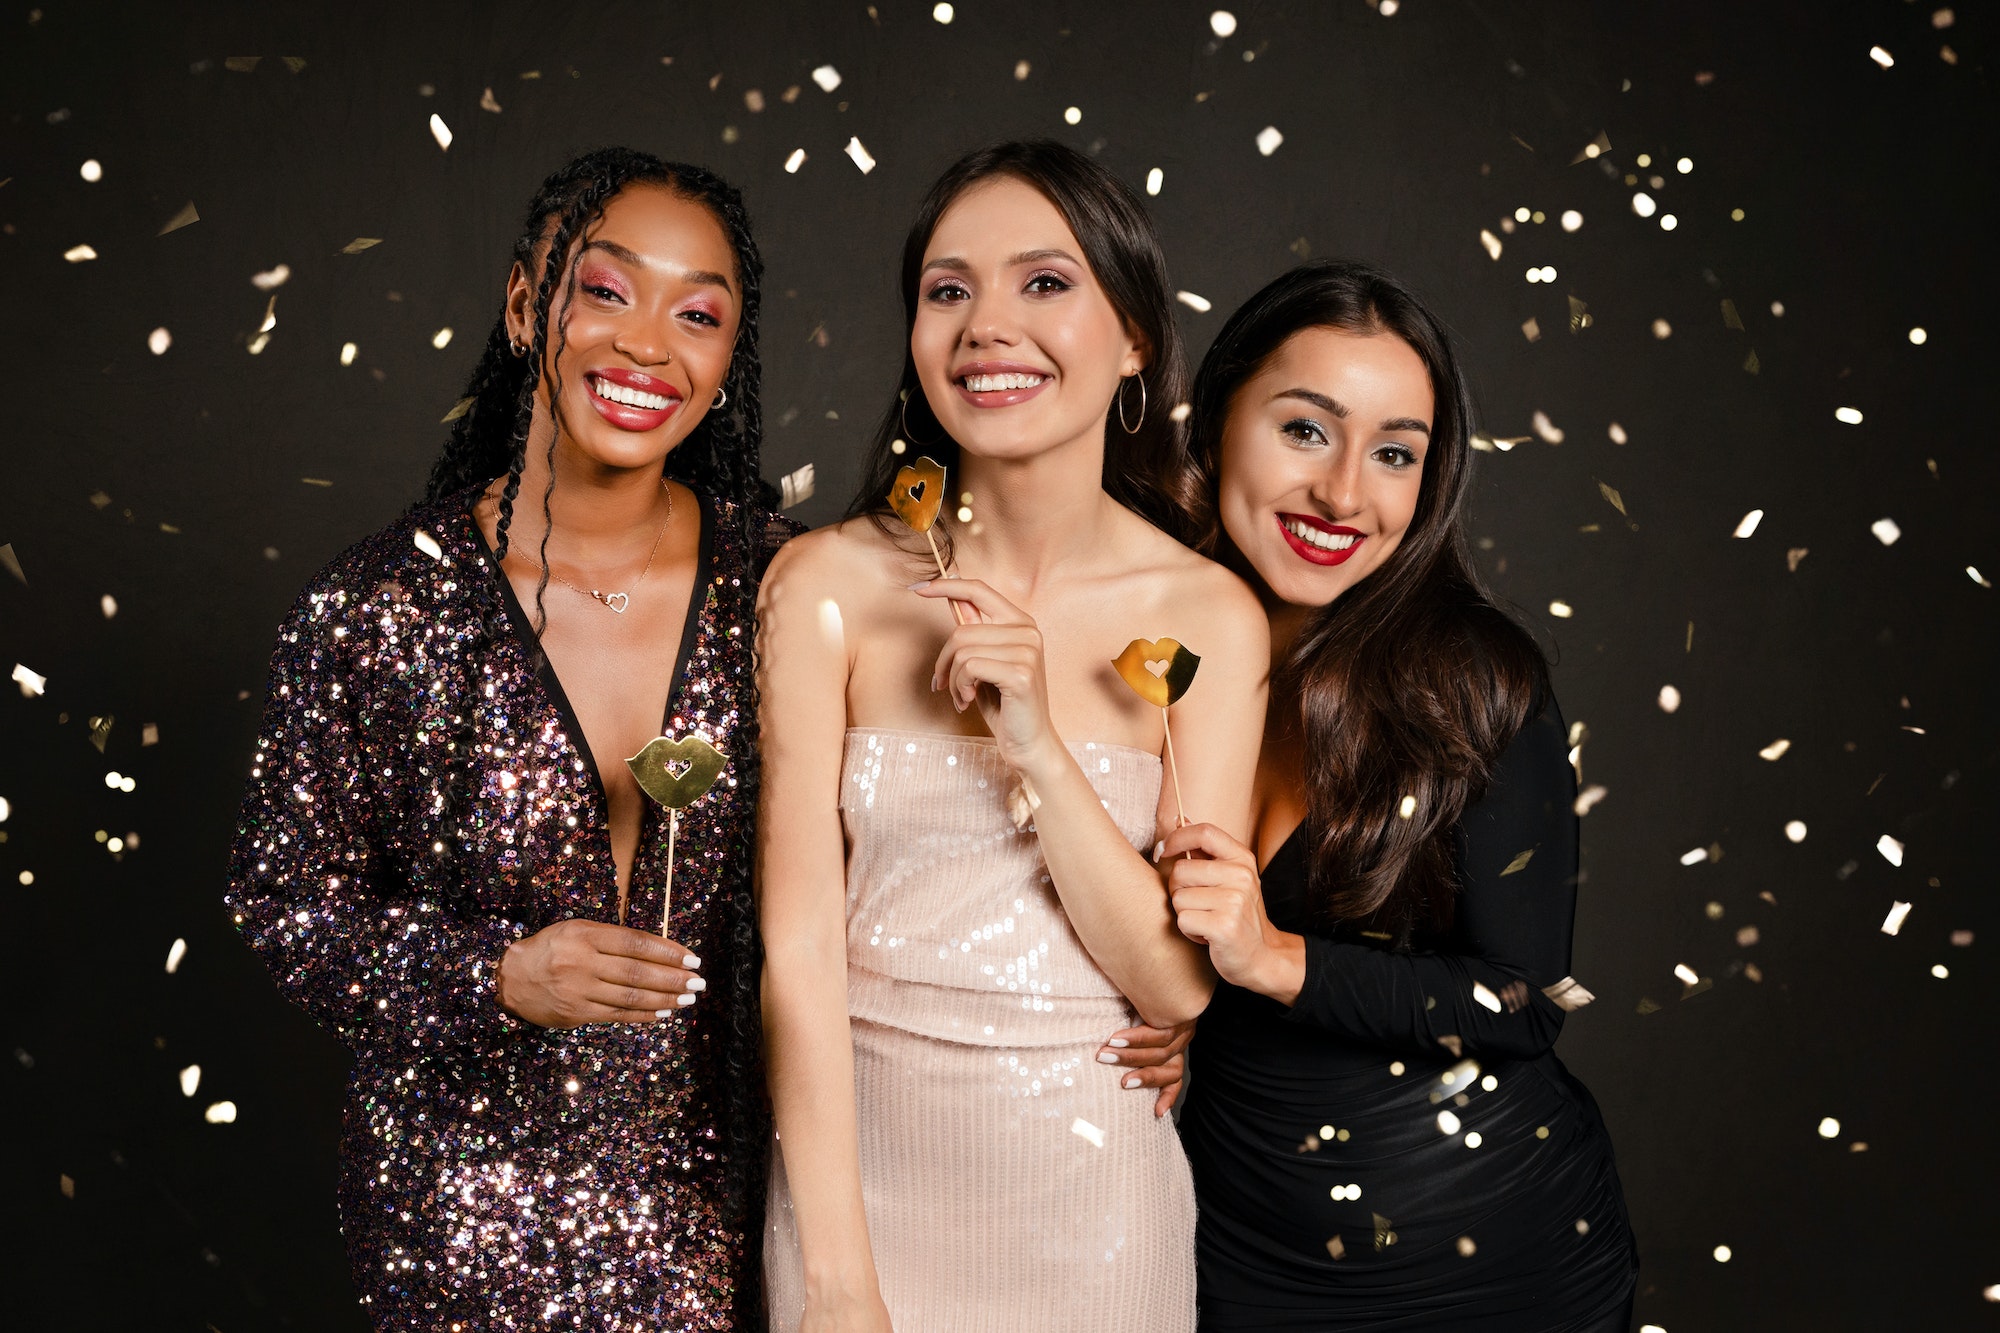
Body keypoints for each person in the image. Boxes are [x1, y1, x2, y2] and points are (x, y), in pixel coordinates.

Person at [224, 147, 794, 1330]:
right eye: (605, 289)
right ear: (525, 304)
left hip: (730, 1205)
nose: (648, 345)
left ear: (727, 363)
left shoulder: (787, 584)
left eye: (697, 313)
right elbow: (283, 902)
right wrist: (493, 974)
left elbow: (903, 831)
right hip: (455, 1222)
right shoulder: (378, 605)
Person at [756, 141, 1268, 1331]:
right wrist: (834, 1279)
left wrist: (1033, 741)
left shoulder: (1207, 616)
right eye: (948, 290)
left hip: (1093, 1211)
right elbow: (797, 951)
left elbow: (1173, 983)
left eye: (1044, 283)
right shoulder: (823, 580)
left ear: (1134, 336)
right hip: (860, 1190)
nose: (988, 325)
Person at [1164, 261, 1639, 1330]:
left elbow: (1523, 998)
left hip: (1488, 1263)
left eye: (1392, 455)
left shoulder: (1472, 675)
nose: (1342, 493)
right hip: (1235, 1248)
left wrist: (1273, 959)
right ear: (1217, 420)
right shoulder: (1141, 653)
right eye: (1303, 430)